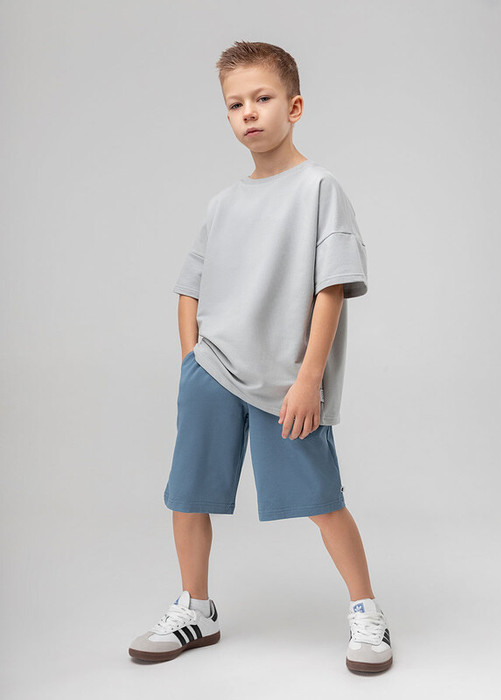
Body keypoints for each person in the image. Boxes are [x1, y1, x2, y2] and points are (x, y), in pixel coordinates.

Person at [129, 40, 393, 675]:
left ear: (294, 107)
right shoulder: (223, 204)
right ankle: (195, 607)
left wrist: (309, 379)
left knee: (321, 499)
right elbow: (189, 287)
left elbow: (332, 289)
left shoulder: (320, 188)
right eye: (235, 104)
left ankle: (367, 612)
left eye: (262, 98)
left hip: (286, 381)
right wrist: (192, 361)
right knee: (187, 495)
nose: (248, 112)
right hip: (213, 372)